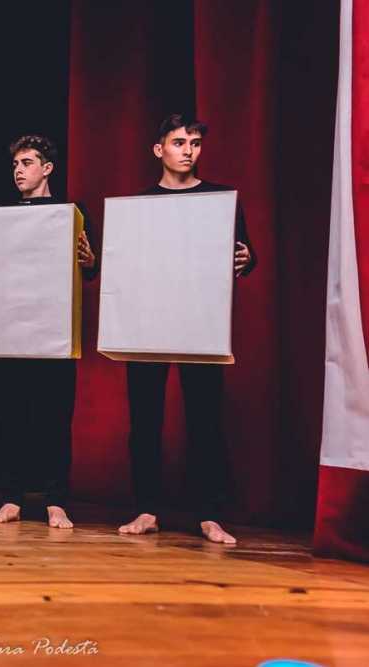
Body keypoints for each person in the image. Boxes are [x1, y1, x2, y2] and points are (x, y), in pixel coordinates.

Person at [117, 114, 256, 545]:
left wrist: (247, 258)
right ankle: (146, 509)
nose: (188, 150)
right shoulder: (139, 205)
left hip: (200, 322)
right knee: (144, 419)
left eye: (194, 143)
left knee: (205, 420)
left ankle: (210, 515)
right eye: (179, 142)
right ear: (158, 149)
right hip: (147, 322)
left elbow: (242, 254)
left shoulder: (220, 200)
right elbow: (125, 262)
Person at [0, 135, 97, 528]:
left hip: (54, 334)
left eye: (27, 163)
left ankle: (55, 501)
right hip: (11, 333)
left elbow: (91, 268)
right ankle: (11, 499)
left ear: (47, 169)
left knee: (54, 420)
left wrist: (89, 260)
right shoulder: (3, 217)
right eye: (15, 164)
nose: (19, 170)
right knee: (10, 419)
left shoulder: (70, 213)